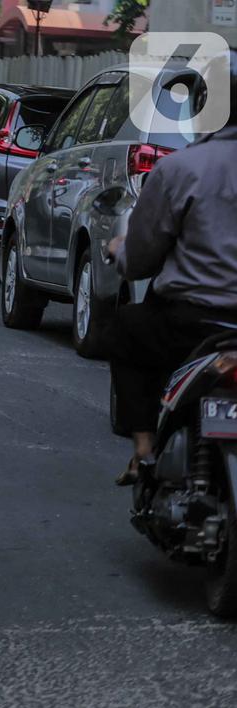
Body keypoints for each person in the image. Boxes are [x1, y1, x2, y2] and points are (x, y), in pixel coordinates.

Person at [107, 48, 237, 486]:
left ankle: (143, 450)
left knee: (127, 325)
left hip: (192, 327)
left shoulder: (180, 169)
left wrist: (118, 250)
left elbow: (139, 262)